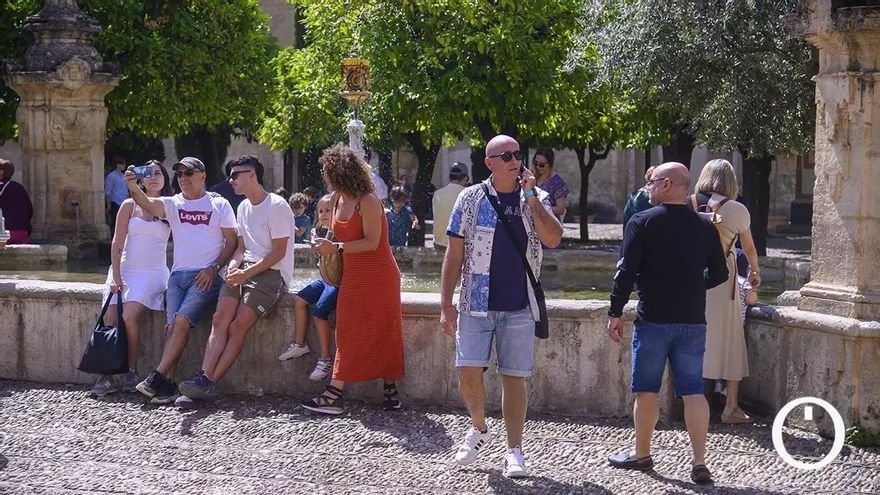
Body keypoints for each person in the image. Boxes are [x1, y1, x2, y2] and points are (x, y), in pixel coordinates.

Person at [440, 135, 563, 478]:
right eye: (506, 156)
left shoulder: (535, 197)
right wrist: (445, 304)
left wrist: (531, 198)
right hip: (475, 303)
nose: (515, 160)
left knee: (514, 378)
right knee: (467, 369)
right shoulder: (470, 198)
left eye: (518, 155)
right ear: (490, 162)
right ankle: (479, 427)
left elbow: (553, 238)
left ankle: (514, 450)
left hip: (519, 304)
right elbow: (454, 254)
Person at [606, 162, 728, 485]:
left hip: (653, 319)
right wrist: (693, 284)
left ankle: (642, 453)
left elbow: (625, 272)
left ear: (666, 185)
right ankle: (699, 461)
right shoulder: (704, 228)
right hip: (692, 320)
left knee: (646, 390)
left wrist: (614, 311)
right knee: (693, 392)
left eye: (653, 183)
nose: (649, 189)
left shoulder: (641, 222)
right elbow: (720, 273)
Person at [176, 155, 295, 403]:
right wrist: (232, 265)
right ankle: (203, 376)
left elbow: (278, 253)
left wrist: (246, 273)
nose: (231, 181)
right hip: (246, 269)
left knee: (237, 325)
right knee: (220, 319)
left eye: (235, 175)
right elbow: (240, 248)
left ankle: (208, 383)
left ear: (252, 175)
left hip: (272, 274)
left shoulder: (277, 205)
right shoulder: (241, 206)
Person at [124, 156, 238, 405]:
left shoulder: (219, 205)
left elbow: (232, 241)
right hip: (177, 276)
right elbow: (148, 204)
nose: (183, 178)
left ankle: (156, 377)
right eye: (180, 174)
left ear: (202, 176)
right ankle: (167, 388)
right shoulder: (173, 203)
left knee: (182, 321)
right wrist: (133, 187)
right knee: (171, 327)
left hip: (206, 275)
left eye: (189, 173)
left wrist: (214, 268)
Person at [302, 144, 404, 415]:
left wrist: (335, 248)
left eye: (327, 172)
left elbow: (372, 243)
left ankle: (389, 387)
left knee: (384, 329)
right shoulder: (336, 199)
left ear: (340, 173)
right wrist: (322, 241)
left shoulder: (368, 201)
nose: (324, 176)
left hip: (380, 274)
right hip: (354, 274)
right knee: (347, 329)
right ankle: (335, 393)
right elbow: (339, 237)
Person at [90, 160, 173, 397]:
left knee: (129, 315)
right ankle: (107, 375)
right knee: (111, 319)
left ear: (165, 178)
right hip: (124, 269)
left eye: (159, 173)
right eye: (148, 174)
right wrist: (116, 276)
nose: (154, 177)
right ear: (140, 179)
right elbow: (117, 242)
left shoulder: (170, 206)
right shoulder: (128, 205)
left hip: (152, 273)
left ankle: (131, 371)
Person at [690, 159, 761, 425]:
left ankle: (693, 404)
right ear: (731, 181)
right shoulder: (737, 209)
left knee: (695, 338)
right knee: (731, 339)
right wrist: (754, 272)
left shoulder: (690, 204)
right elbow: (750, 248)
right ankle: (730, 407)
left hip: (695, 276)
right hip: (724, 277)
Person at [278, 193, 338, 381]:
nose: (324, 214)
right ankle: (299, 344)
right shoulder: (323, 231)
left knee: (319, 311)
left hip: (337, 282)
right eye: (321, 210)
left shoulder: (341, 232)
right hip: (325, 279)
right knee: (300, 299)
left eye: (328, 210)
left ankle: (326, 358)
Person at [431, 163, 469, 252]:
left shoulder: (437, 194)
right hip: (458, 245)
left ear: (450, 178)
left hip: (439, 243)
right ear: (465, 178)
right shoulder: (467, 194)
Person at [532, 148, 570, 223]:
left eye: (541, 165)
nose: (538, 167)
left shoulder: (557, 182)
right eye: (535, 163)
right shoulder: (533, 178)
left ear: (549, 164)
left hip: (549, 224)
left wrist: (541, 209)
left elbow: (561, 209)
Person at [0, 159, 33, 244]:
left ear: (1, 172)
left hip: (3, 234)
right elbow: (29, 210)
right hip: (22, 233)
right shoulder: (19, 187)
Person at [104, 156, 130, 239]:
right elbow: (108, 191)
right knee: (115, 223)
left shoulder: (123, 176)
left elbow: (126, 189)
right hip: (115, 202)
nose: (124, 166)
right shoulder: (111, 176)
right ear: (118, 165)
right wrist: (108, 205)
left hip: (124, 202)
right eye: (122, 164)